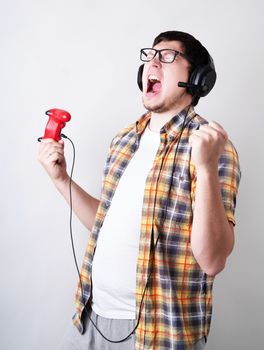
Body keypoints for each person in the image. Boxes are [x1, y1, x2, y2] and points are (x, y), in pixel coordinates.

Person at [38, 31, 241, 350]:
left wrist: (205, 167)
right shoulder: (123, 140)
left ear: (199, 79)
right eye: (150, 56)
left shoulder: (214, 148)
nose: (152, 62)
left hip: (158, 334)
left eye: (168, 56)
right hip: (89, 320)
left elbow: (213, 260)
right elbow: (101, 225)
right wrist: (62, 179)